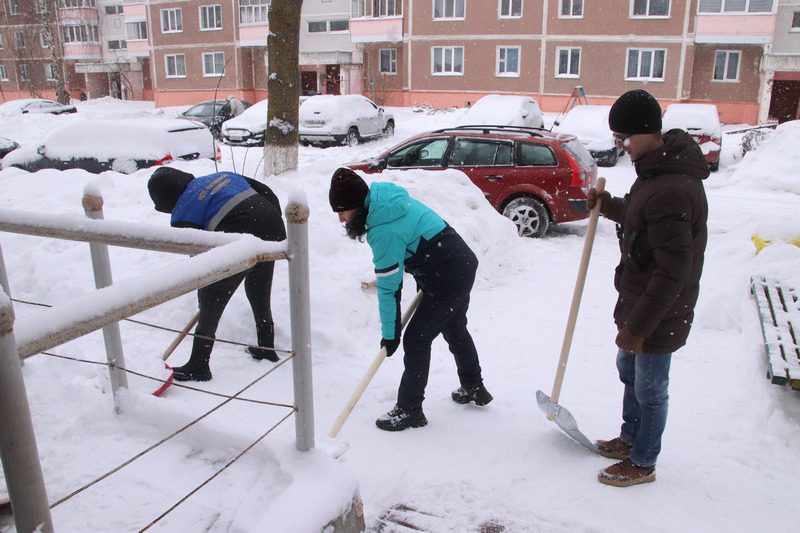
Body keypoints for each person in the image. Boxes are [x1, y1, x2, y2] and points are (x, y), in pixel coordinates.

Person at [588, 89, 709, 487]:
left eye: (625, 137)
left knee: (651, 387)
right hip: (640, 299)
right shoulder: (655, 171)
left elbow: (674, 271)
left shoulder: (672, 186)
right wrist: (609, 205)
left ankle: (643, 461)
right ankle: (629, 438)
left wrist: (639, 329)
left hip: (660, 310)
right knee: (628, 370)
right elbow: (644, 218)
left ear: (647, 132)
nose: (621, 146)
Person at [328, 168, 492, 432]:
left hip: (446, 275)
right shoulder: (390, 202)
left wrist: (391, 333)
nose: (340, 219)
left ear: (359, 207)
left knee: (416, 339)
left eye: (343, 211)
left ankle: (409, 409)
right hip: (459, 263)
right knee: (454, 328)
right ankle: (474, 387)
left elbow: (389, 288)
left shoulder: (383, 231)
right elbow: (420, 241)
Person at [148, 167, 286, 381]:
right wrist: (273, 224)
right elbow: (265, 191)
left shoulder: (183, 211)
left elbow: (200, 260)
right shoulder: (222, 177)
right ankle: (266, 347)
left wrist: (207, 288)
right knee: (258, 288)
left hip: (242, 231)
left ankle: (199, 364)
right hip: (272, 224)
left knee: (212, 296)